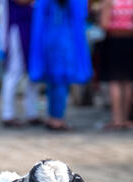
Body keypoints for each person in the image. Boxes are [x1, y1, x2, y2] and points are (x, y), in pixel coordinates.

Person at [29, 0, 92, 130]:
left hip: (48, 37)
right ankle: (57, 119)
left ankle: (52, 117)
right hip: (65, 40)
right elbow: (80, 14)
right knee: (61, 82)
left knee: (52, 81)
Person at [0, 0, 42, 127]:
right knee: (13, 73)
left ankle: (32, 112)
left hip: (30, 30)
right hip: (17, 30)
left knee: (33, 74)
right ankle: (7, 114)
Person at [100, 0, 133, 129]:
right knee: (128, 81)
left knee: (115, 81)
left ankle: (116, 119)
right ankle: (125, 119)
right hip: (130, 41)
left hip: (114, 41)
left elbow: (104, 24)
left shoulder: (109, 1)